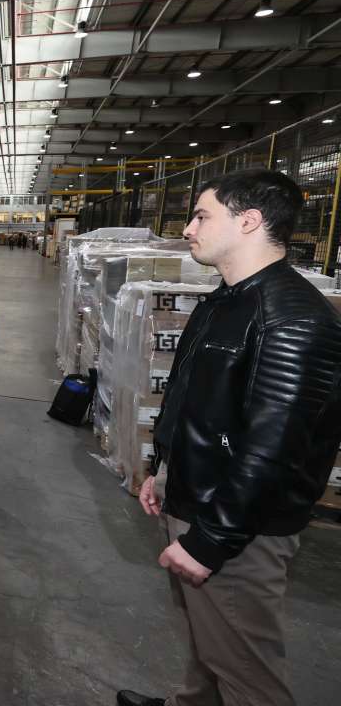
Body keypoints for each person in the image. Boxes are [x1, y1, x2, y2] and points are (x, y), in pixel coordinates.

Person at [117, 170, 341, 706]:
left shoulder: (290, 319)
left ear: (249, 221)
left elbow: (275, 452)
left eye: (201, 216)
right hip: (198, 497)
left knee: (246, 671)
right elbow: (195, 402)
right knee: (208, 637)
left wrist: (212, 541)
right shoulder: (228, 300)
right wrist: (165, 470)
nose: (188, 229)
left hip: (239, 529)